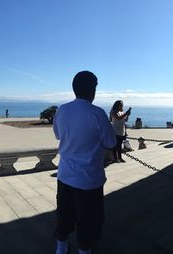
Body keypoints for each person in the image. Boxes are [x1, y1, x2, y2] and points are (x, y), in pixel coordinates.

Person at [52, 71, 116, 254]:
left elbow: (58, 135)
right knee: (89, 219)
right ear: (93, 90)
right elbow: (110, 142)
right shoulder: (97, 113)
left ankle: (61, 248)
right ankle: (84, 251)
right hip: (89, 179)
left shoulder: (62, 110)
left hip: (64, 175)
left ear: (74, 89)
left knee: (64, 214)